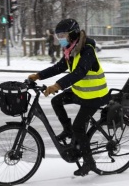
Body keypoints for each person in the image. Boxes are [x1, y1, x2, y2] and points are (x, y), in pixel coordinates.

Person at [28, 19, 109, 176]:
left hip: (95, 96)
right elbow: (59, 67)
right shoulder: (71, 50)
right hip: (82, 93)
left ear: (73, 34)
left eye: (63, 35)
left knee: (79, 126)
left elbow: (79, 72)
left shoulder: (87, 50)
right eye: (59, 35)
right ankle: (68, 130)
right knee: (56, 101)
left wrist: (57, 86)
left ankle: (89, 163)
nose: (60, 38)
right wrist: (38, 75)